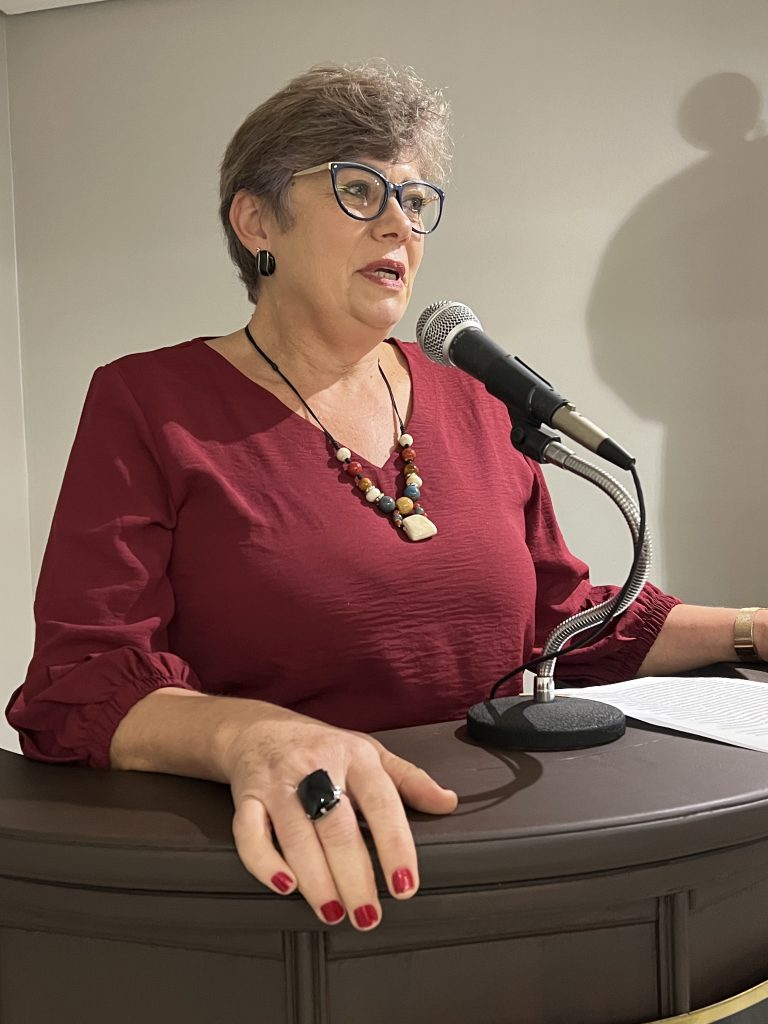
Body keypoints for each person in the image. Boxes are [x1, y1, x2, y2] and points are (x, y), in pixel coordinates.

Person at [6, 62, 766, 933]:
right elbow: (84, 682)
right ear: (257, 222)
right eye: (360, 191)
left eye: (414, 198)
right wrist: (250, 736)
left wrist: (752, 628)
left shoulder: (476, 397)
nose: (399, 223)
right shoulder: (151, 403)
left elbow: (562, 620)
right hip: (290, 881)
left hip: (526, 853)